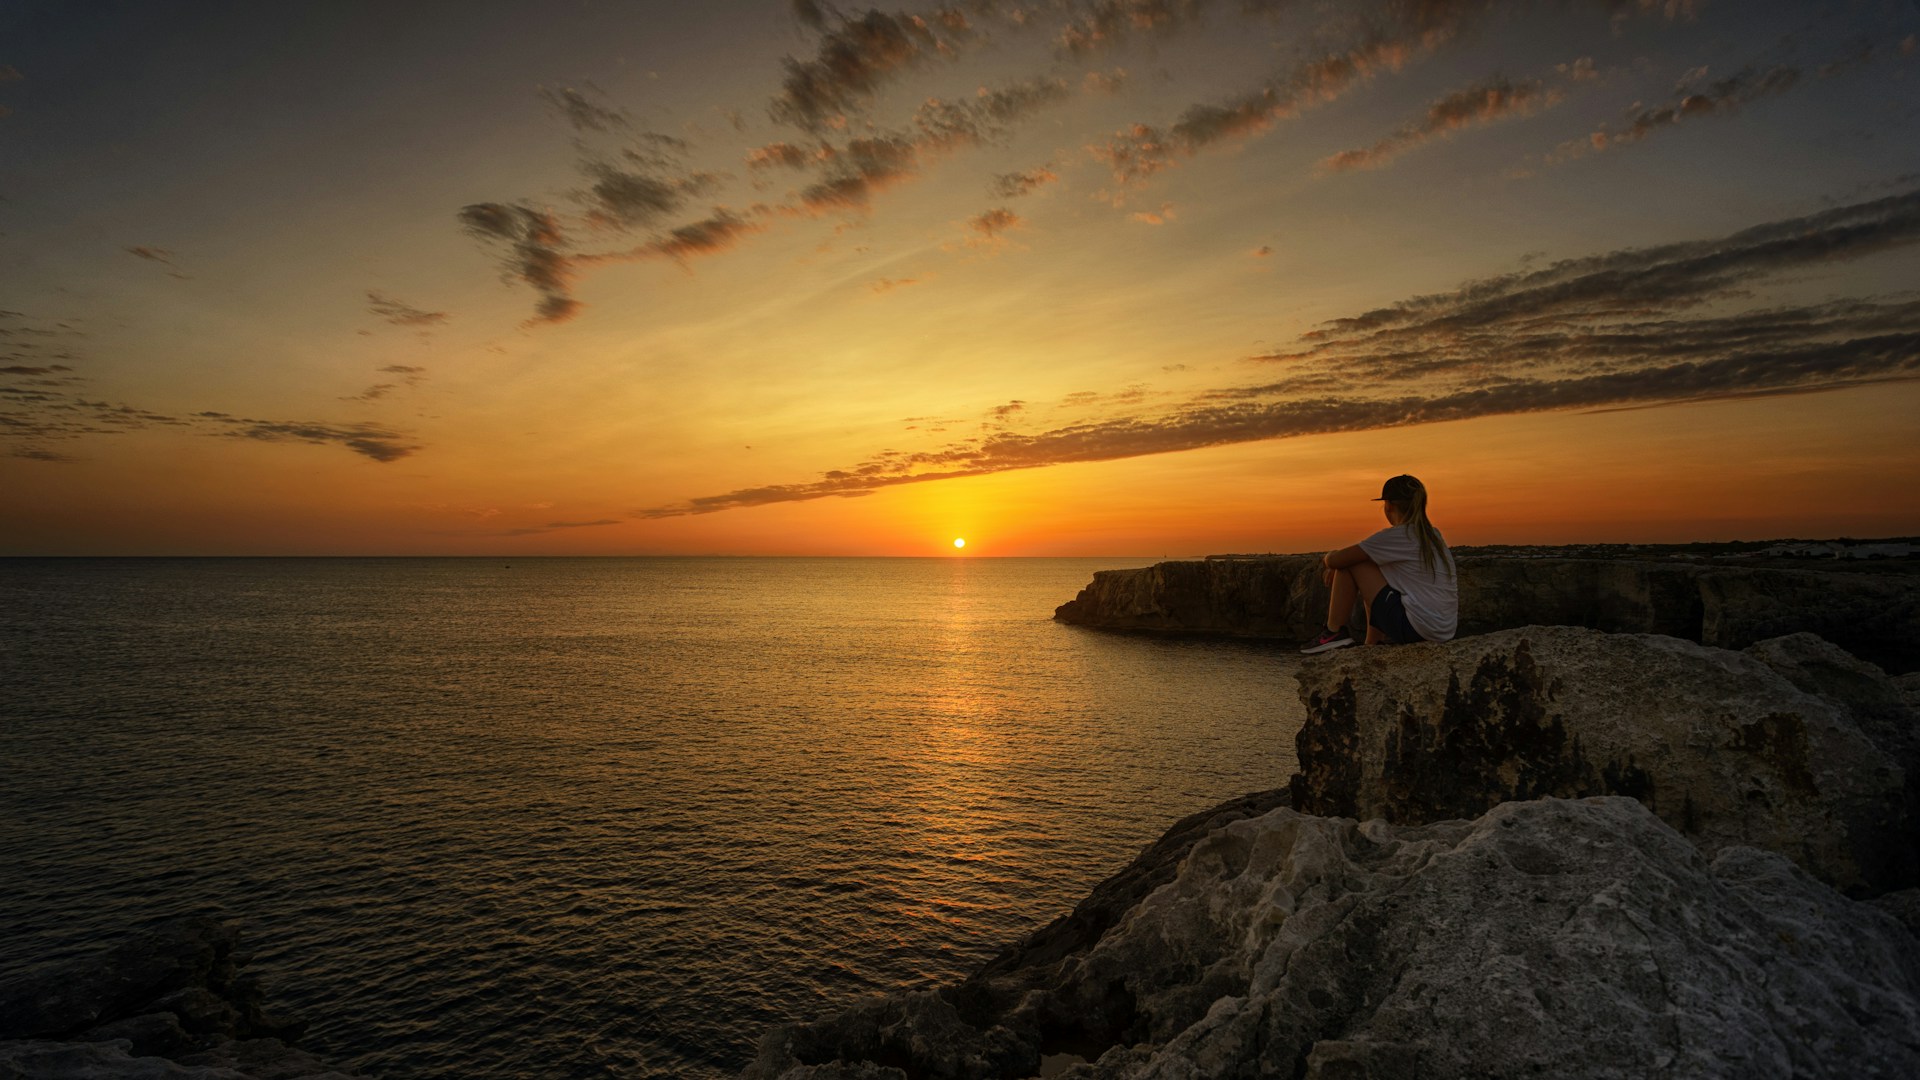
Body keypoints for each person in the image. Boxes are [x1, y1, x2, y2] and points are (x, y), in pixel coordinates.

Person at [1300, 474, 1457, 653]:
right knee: (1369, 563)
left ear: (1388, 505)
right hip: (1443, 631)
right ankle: (1373, 644)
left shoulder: (1397, 535)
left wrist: (1330, 561)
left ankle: (1334, 632)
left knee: (1353, 564)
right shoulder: (1433, 536)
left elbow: (1336, 560)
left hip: (1416, 630)